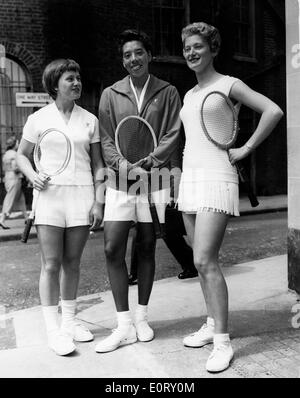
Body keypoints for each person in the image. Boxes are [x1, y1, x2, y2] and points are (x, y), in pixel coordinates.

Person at [177, 22, 283, 373]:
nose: (191, 53)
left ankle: (222, 342)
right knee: (198, 261)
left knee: (206, 260)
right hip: (189, 179)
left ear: (213, 49)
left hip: (216, 178)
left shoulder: (229, 84)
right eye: (186, 48)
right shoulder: (190, 95)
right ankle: (211, 323)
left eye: (198, 46)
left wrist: (247, 148)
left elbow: (273, 110)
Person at [96, 29, 181, 353]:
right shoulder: (110, 94)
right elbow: (106, 138)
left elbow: (173, 132)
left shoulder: (168, 91)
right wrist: (123, 165)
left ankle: (142, 319)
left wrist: (152, 161)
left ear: (149, 54)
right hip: (121, 180)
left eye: (138, 52)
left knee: (147, 247)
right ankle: (123, 325)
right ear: (123, 60)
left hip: (154, 178)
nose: (133, 59)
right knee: (112, 248)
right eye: (127, 55)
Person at [16, 59, 104, 356]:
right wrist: (32, 177)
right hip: (50, 197)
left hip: (82, 196)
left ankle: (68, 323)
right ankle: (53, 330)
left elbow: (98, 165)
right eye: (70, 78)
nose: (77, 82)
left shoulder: (90, 119)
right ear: (55, 84)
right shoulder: (38, 119)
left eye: (78, 77)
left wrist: (99, 200)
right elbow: (22, 157)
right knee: (51, 264)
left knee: (73, 263)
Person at [0, 136, 28, 229]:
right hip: (15, 178)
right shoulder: (14, 154)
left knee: (21, 198)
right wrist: (24, 169)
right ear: (15, 144)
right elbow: (15, 168)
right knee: (10, 198)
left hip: (7, 177)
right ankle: (2, 219)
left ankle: (27, 218)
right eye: (18, 143)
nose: (19, 144)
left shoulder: (5, 154)